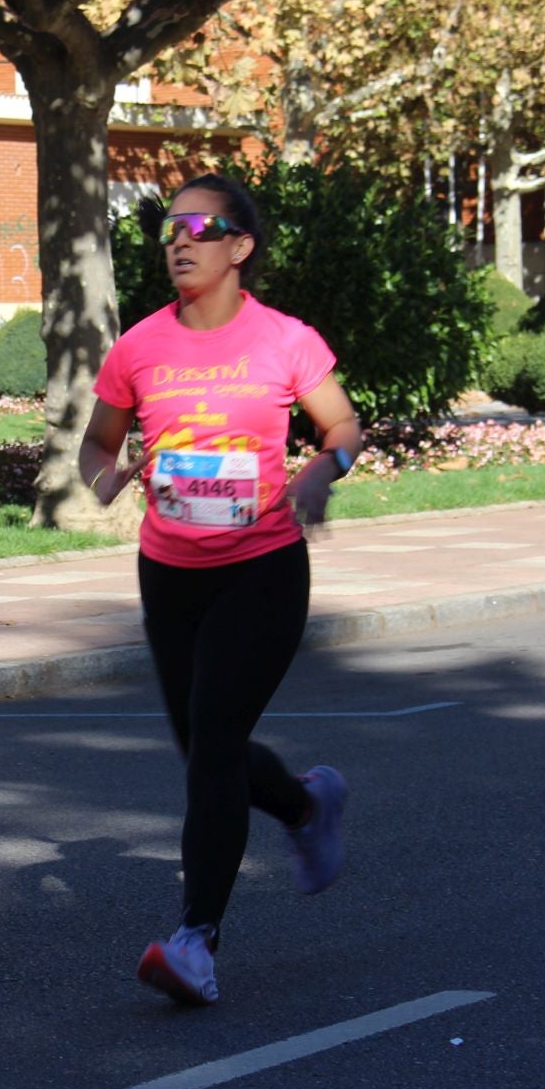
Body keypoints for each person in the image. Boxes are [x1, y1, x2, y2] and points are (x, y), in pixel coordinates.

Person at [79, 174, 365, 1006]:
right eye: (167, 228)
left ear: (239, 247)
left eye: (199, 227)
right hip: (169, 574)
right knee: (208, 748)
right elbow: (97, 446)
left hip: (264, 568)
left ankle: (196, 941)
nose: (179, 241)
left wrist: (321, 469)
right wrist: (106, 475)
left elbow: (343, 424)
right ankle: (306, 807)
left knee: (210, 739)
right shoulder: (137, 347)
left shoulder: (285, 340)